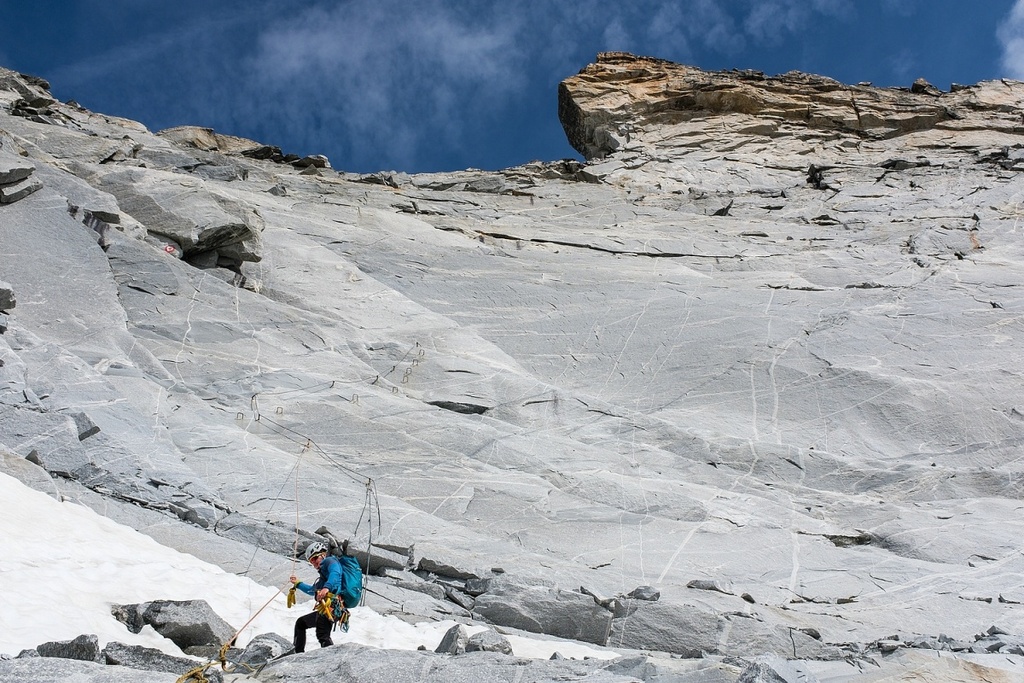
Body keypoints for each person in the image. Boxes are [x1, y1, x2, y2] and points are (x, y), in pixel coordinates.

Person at [290, 541, 343, 653]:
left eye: (315, 559)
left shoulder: (330, 561)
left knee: (322, 634)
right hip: (327, 608)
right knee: (301, 623)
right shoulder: (323, 577)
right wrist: (298, 584)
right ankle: (297, 653)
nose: (314, 563)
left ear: (323, 554)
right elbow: (311, 590)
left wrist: (326, 588)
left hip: (332, 606)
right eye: (311, 561)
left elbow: (335, 573)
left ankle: (331, 658)